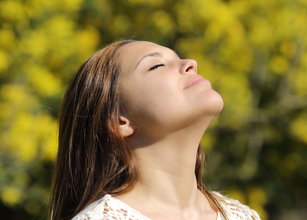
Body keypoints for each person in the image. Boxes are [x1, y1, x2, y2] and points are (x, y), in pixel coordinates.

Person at [48, 40, 261, 220]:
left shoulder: (242, 216)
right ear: (119, 121)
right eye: (157, 65)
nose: (191, 64)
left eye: (178, 58)